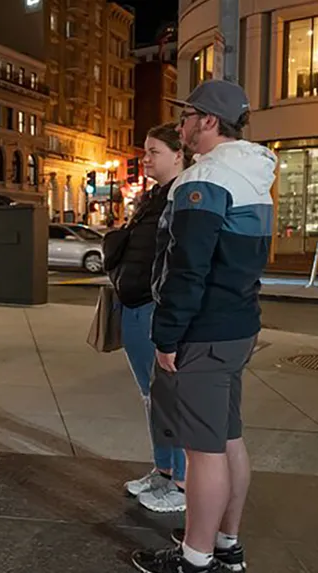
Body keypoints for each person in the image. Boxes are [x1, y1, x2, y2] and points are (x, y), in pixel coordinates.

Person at [132, 80, 276, 573]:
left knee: (203, 451)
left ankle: (195, 557)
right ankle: (226, 543)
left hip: (205, 331)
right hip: (237, 325)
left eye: (187, 115)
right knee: (228, 438)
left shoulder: (207, 178)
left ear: (208, 121)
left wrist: (167, 336)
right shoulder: (253, 173)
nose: (181, 124)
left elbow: (187, 266)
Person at [108, 123, 189, 514]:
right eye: (145, 151)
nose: (145, 158)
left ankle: (181, 482)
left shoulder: (183, 195)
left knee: (167, 398)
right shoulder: (153, 196)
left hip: (153, 307)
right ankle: (163, 470)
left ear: (179, 154)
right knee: (151, 397)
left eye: (154, 151)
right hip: (134, 303)